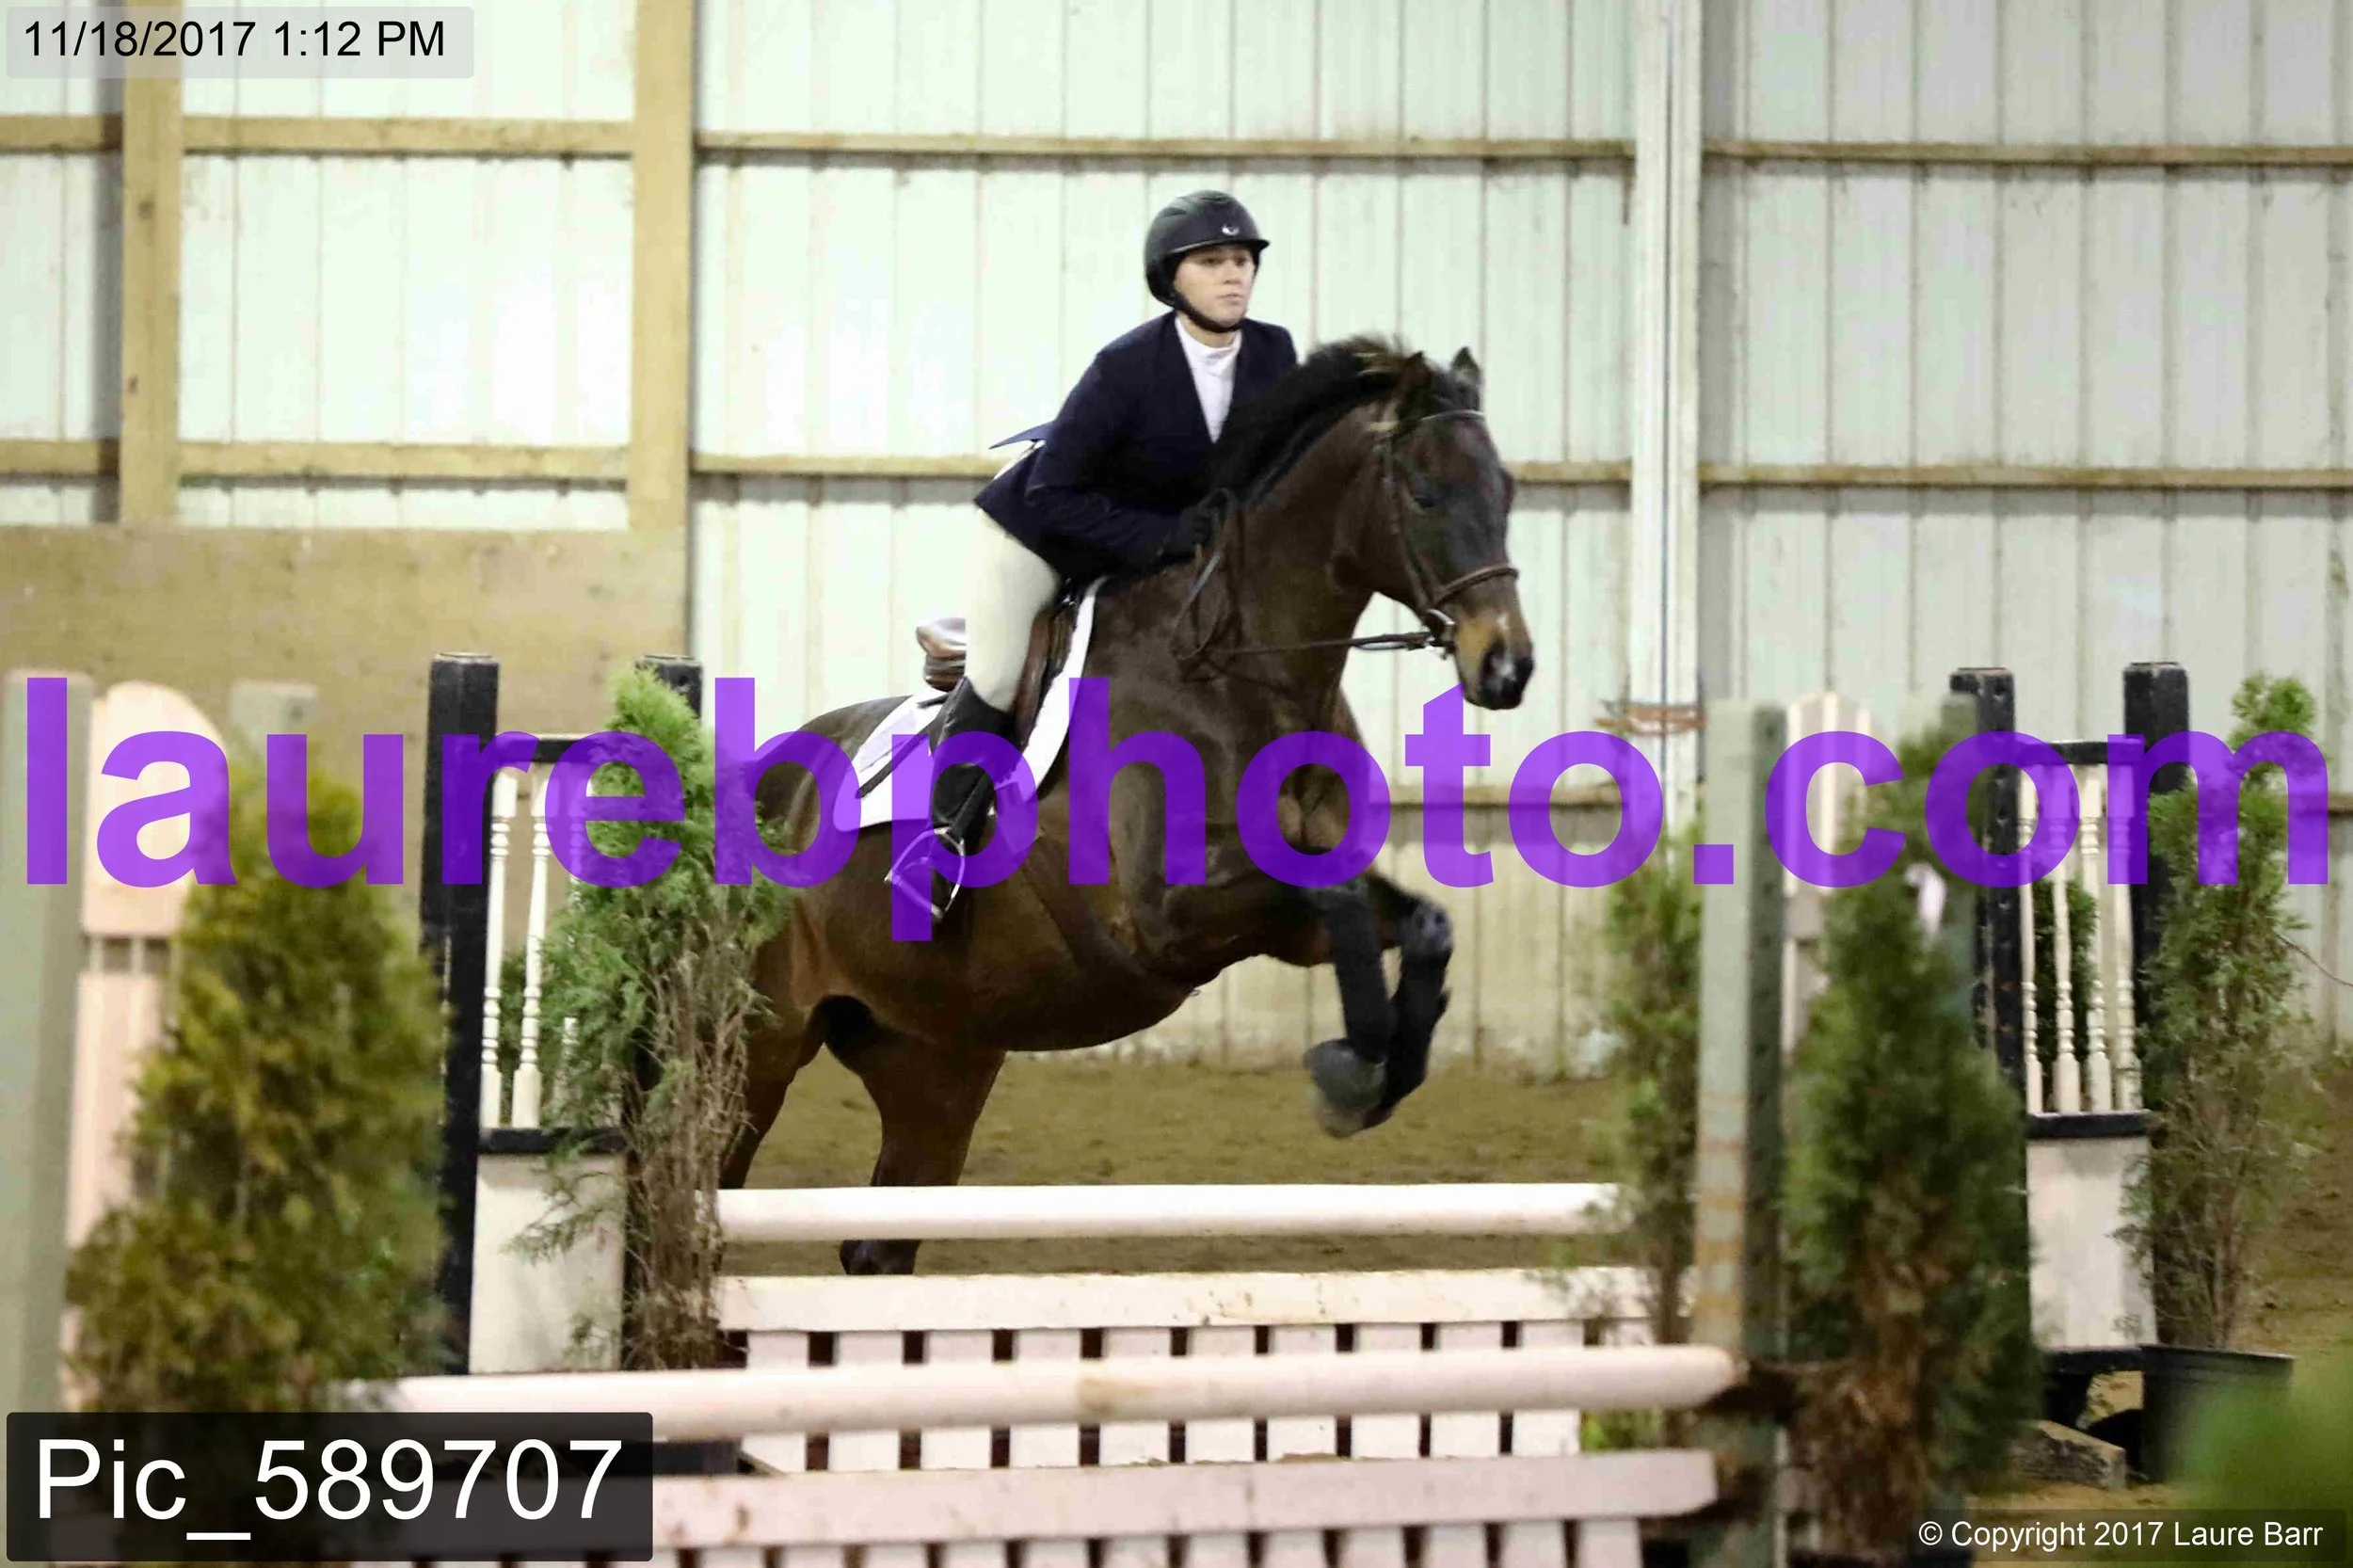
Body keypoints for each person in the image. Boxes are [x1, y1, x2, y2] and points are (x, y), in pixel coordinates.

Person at [909, 190, 1301, 918]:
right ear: (1171, 279)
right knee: (999, 673)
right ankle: (937, 847)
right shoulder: (1127, 367)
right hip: (1039, 535)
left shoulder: (1274, 354)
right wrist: (1165, 537)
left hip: (1153, 549)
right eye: (1212, 262)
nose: (1233, 274)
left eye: (1242, 260)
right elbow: (1054, 490)